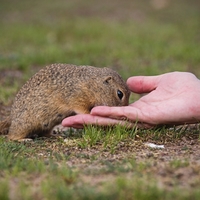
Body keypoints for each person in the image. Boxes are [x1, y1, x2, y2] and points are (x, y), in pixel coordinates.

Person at [62, 71, 200, 129]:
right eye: (119, 95)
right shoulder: (86, 87)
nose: (123, 105)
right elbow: (75, 100)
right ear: (106, 82)